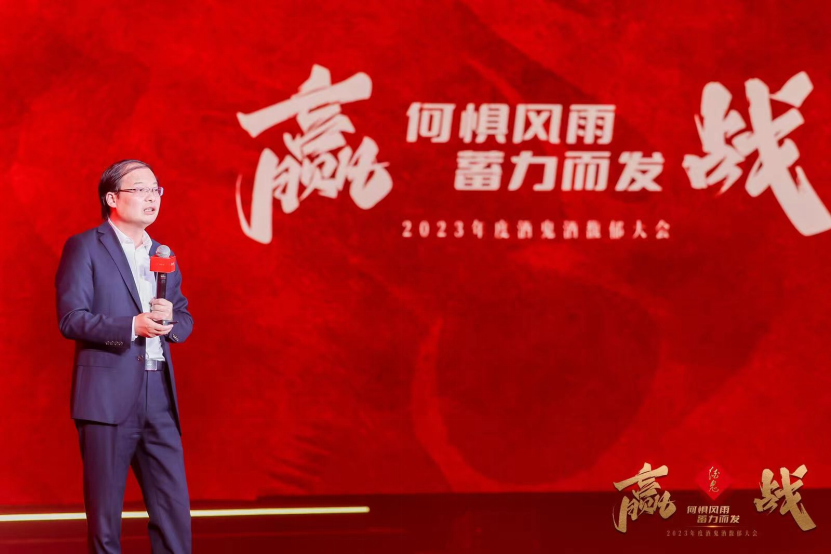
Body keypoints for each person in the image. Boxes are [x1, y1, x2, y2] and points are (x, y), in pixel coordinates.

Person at [55, 160, 193, 553]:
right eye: (140, 189)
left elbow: (183, 317)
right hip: (106, 397)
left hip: (159, 395)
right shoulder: (85, 246)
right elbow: (71, 318)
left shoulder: (162, 253)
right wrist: (133, 326)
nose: (152, 198)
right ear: (112, 198)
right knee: (105, 520)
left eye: (155, 189)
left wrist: (171, 321)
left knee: (174, 514)